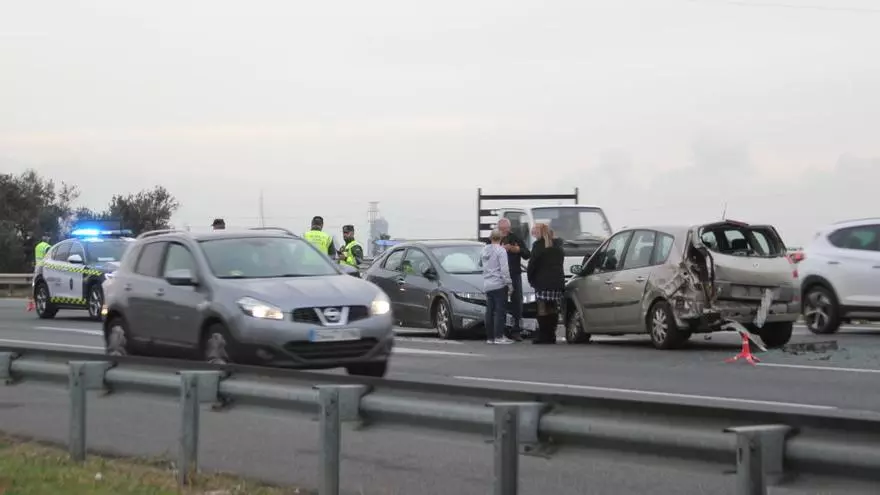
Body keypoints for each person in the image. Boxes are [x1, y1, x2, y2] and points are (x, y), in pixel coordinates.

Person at [526, 223, 566, 344]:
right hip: (557, 281)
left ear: (539, 233)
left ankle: (543, 335)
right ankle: (551, 334)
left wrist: (531, 279)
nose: (533, 234)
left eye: (535, 232)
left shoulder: (538, 246)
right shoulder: (558, 246)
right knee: (553, 308)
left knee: (542, 308)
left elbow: (532, 264)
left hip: (542, 281)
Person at [497, 218, 531, 341]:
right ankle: (501, 331)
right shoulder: (494, 238)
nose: (504, 232)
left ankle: (516, 330)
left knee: (517, 303)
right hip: (499, 276)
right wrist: (500, 249)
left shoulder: (516, 238)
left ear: (509, 228)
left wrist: (517, 250)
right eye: (501, 229)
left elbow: (527, 254)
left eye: (506, 229)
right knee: (500, 303)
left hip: (514, 274)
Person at [482, 229, 514, 345]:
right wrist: (509, 284)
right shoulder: (501, 251)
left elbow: (481, 264)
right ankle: (499, 336)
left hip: (487, 284)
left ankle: (490, 337)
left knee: (489, 311)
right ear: (501, 238)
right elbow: (504, 269)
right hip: (499, 284)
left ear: (490, 238)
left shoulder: (484, 250)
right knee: (499, 312)